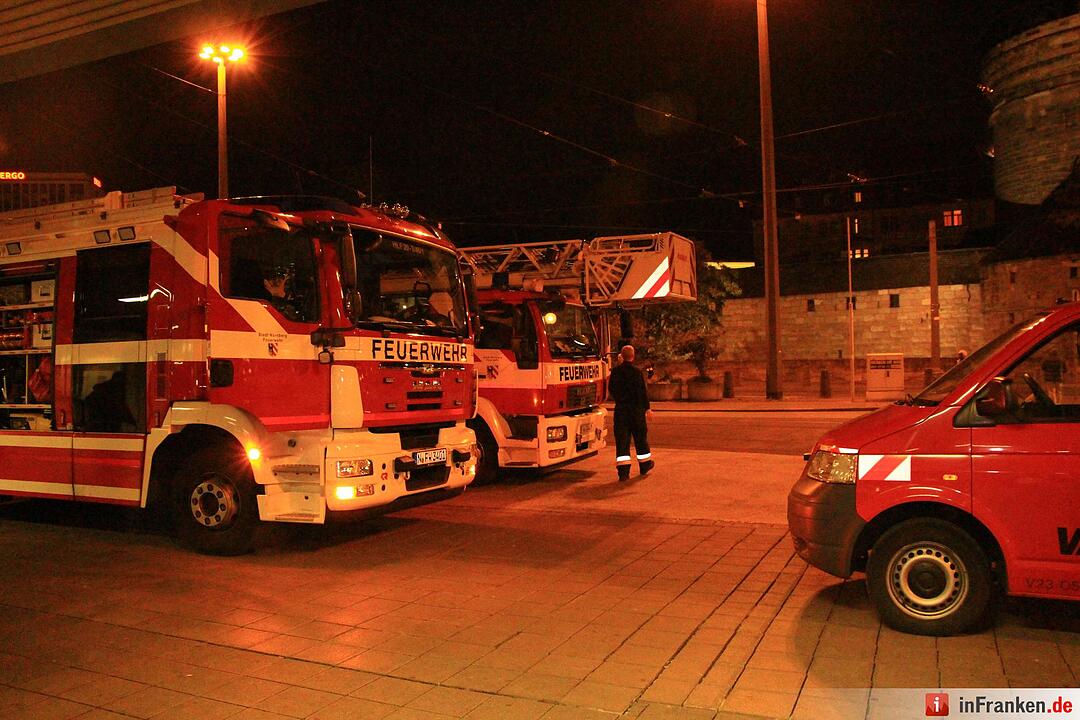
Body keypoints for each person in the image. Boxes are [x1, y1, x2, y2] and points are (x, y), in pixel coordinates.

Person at [608, 344, 653, 481]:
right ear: (633, 356)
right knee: (640, 439)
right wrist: (647, 408)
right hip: (636, 411)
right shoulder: (637, 373)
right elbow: (642, 392)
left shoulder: (615, 372)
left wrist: (620, 400)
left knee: (622, 442)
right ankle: (645, 465)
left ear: (622, 356)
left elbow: (612, 389)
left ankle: (623, 473)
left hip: (621, 411)